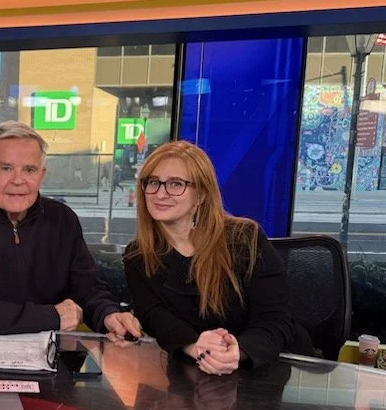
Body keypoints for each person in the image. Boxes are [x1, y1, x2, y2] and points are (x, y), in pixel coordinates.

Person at [0, 121, 140, 341]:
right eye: (6, 168)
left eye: (29, 170)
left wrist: (108, 313)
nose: (18, 180)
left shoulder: (63, 220)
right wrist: (51, 316)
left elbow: (87, 288)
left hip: (53, 361)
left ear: (41, 174)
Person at [122, 140, 314, 374]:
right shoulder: (138, 255)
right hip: (192, 371)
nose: (161, 193)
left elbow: (275, 318)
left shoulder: (246, 238)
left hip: (264, 367)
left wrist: (238, 350)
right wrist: (195, 347)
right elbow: (154, 317)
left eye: (175, 184)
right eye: (153, 182)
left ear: (201, 194)